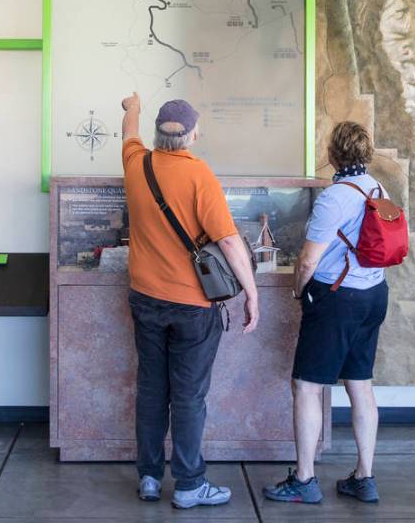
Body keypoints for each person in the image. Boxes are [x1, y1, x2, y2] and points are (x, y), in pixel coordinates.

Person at [120, 92, 260, 509]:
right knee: (188, 396)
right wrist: (251, 293)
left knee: (150, 389)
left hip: (144, 298)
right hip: (192, 307)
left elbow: (128, 132)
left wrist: (133, 107)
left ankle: (148, 476)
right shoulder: (200, 175)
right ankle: (188, 485)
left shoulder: (135, 163)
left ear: (158, 135)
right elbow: (230, 242)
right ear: (193, 135)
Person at [263, 121, 389, 505]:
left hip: (337, 299)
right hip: (374, 296)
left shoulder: (335, 197)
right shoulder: (378, 189)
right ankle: (364, 478)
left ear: (333, 154)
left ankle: (304, 479)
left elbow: (307, 262)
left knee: (307, 386)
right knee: (360, 383)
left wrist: (299, 292)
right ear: (365, 153)